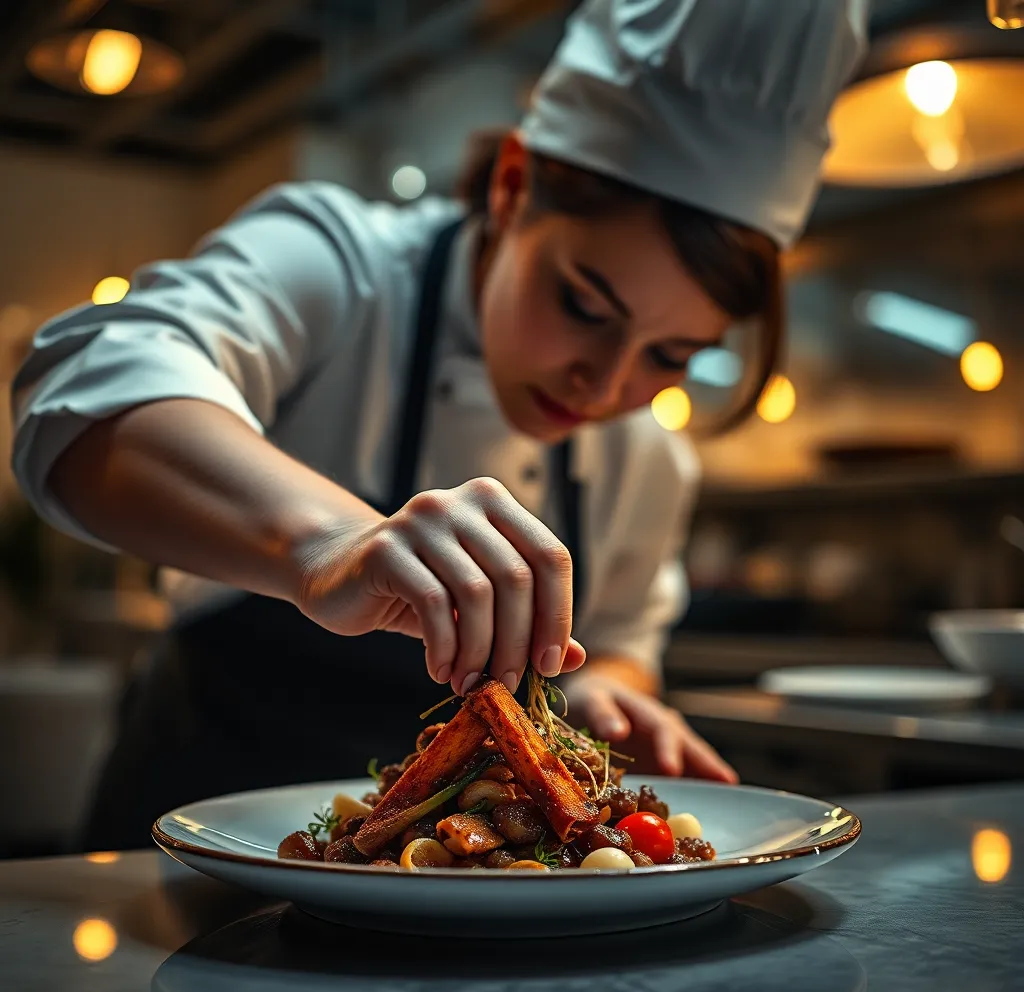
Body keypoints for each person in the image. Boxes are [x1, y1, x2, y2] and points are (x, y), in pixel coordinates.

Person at [9, 0, 866, 850]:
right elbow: (83, 387)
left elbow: (625, 641)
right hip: (193, 857)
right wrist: (329, 543)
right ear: (511, 185)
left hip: (490, 934)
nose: (606, 386)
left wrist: (608, 686)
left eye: (672, 355)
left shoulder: (647, 458)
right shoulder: (340, 269)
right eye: (583, 304)